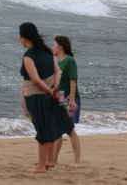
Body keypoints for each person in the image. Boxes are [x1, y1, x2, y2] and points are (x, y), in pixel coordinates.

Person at [18, 22, 75, 173]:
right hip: (52, 94)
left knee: (42, 128)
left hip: (36, 96)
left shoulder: (28, 55)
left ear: (24, 37)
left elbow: (36, 80)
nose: (18, 38)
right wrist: (54, 88)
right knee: (49, 127)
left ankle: (41, 166)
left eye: (19, 35)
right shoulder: (48, 52)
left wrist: (49, 91)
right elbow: (57, 71)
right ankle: (49, 161)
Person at [49, 36, 82, 168]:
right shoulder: (59, 63)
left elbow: (72, 81)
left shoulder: (69, 61)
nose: (52, 47)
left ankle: (77, 161)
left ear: (60, 46)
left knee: (70, 130)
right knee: (58, 130)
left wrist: (72, 100)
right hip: (61, 98)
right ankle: (54, 160)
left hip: (70, 98)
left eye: (54, 45)